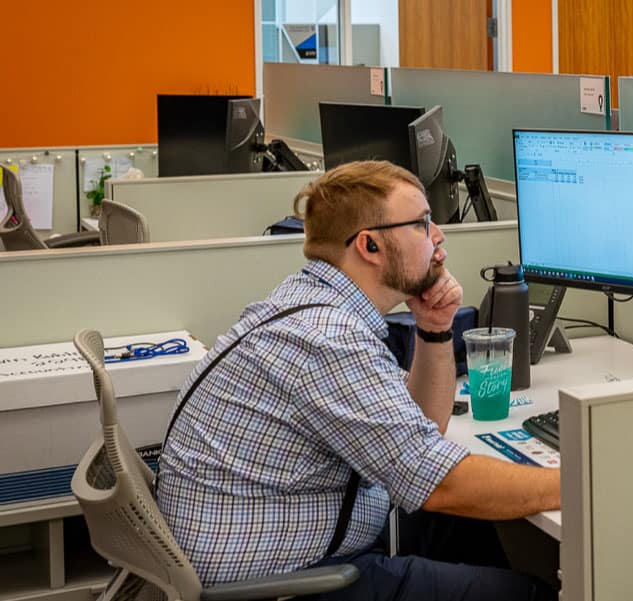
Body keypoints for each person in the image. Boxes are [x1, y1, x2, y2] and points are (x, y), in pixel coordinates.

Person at [157, 160, 560, 600]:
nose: (440, 236)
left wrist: (434, 327)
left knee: (465, 527)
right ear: (369, 246)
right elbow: (441, 483)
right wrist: (579, 483)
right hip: (282, 584)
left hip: (293, 548)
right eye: (423, 224)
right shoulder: (328, 340)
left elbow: (423, 427)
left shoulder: (309, 300)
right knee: (531, 592)